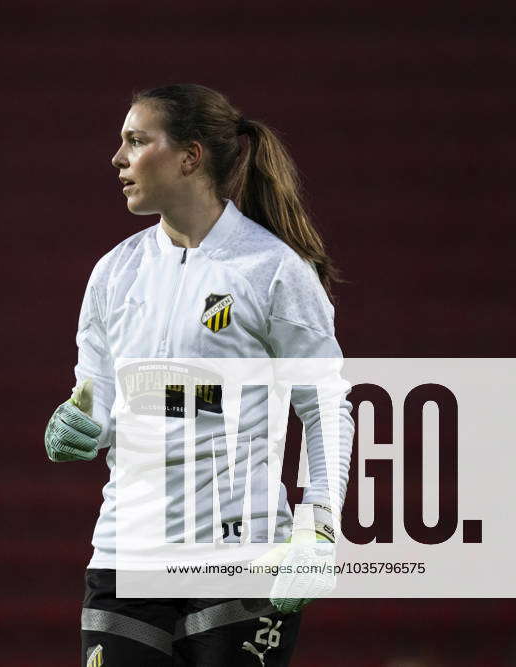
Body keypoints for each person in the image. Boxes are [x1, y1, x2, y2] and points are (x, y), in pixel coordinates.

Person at [43, 84, 355, 666]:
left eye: (137, 141)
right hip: (126, 549)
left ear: (189, 157)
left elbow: (326, 406)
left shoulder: (272, 271)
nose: (118, 158)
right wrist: (82, 424)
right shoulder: (114, 274)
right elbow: (100, 399)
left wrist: (318, 527)